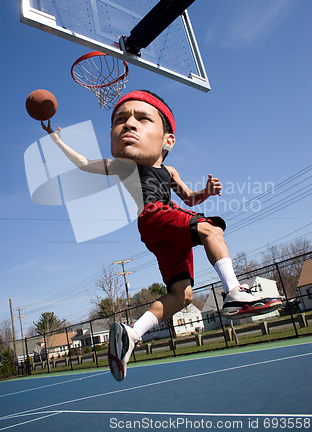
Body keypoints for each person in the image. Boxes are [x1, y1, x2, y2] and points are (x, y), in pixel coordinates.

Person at [41, 89, 281, 382]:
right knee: (211, 229)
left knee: (182, 295)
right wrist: (57, 140)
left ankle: (132, 333)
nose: (129, 125)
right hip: (154, 215)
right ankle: (233, 292)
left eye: (142, 119)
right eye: (121, 120)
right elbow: (84, 164)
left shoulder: (170, 170)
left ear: (168, 140)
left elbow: (190, 199)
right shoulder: (124, 165)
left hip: (161, 230)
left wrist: (206, 192)